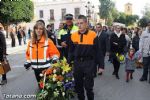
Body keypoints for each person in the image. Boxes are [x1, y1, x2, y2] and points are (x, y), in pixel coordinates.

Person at [68, 15, 101, 100]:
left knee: (88, 87)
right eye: (78, 23)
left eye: (81, 23)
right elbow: (71, 51)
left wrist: (101, 66)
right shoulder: (73, 35)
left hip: (89, 63)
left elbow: (98, 51)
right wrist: (68, 63)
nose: (79, 25)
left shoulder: (93, 35)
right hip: (77, 63)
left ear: (86, 24)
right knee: (78, 87)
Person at [24, 22, 60, 86]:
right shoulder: (30, 42)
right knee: (40, 86)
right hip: (35, 69)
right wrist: (28, 62)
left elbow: (55, 53)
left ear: (43, 30)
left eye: (40, 29)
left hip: (46, 69)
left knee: (47, 87)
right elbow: (29, 54)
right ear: (34, 30)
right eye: (37, 28)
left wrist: (54, 58)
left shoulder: (48, 41)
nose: (38, 30)